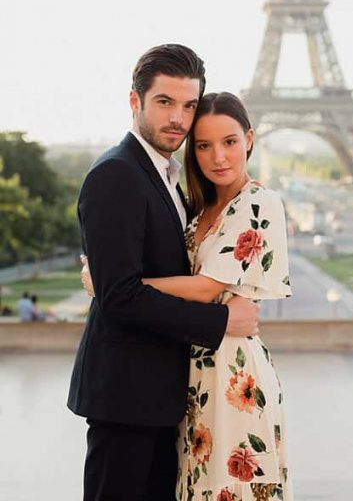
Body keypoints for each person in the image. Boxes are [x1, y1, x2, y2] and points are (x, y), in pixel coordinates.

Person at [67, 44, 260, 501]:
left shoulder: (169, 177)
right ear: (135, 102)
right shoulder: (117, 174)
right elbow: (121, 297)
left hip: (160, 395)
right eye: (164, 102)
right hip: (126, 397)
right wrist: (220, 322)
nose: (178, 118)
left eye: (188, 105)